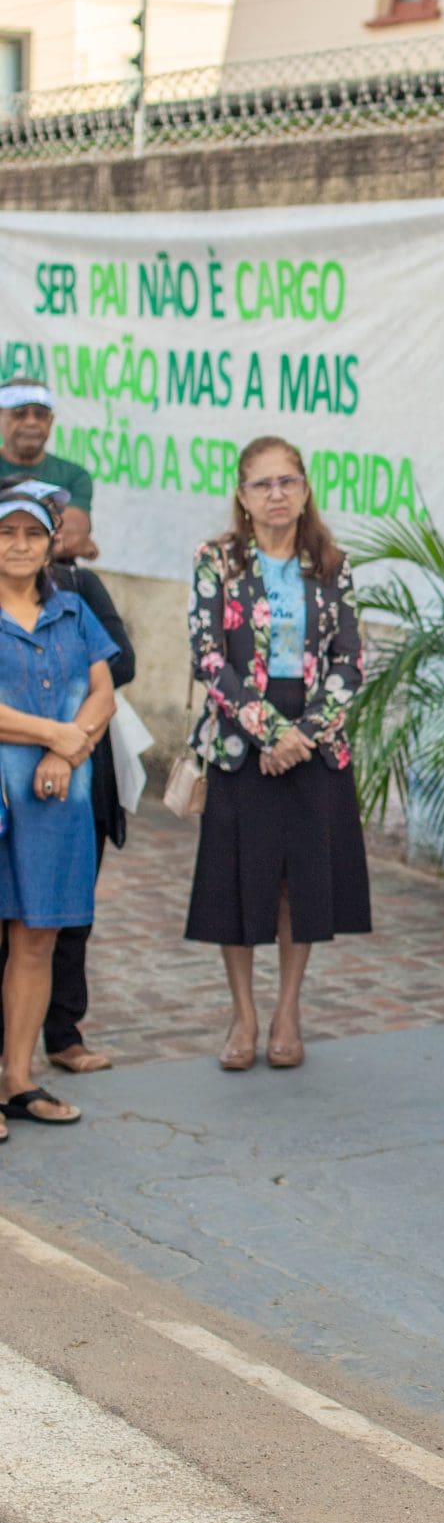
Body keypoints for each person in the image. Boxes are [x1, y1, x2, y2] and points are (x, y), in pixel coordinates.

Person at [184, 434, 370, 1071]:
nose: (276, 494)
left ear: (305, 488)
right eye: (262, 484)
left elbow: (351, 658)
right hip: (241, 741)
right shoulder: (217, 561)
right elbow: (208, 656)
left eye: (287, 481)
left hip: (313, 740)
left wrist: (302, 735)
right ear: (242, 496)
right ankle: (243, 1014)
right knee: (236, 884)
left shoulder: (331, 563)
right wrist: (268, 731)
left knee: (300, 884)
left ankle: (288, 1010)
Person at [0, 482, 118, 1139]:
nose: (18, 545)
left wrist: (64, 754)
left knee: (38, 937)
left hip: (55, 799)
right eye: (5, 532)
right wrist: (56, 735)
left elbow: (102, 692)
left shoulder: (73, 609)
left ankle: (17, 1080)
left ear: (51, 545)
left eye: (32, 534)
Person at [0, 381, 96, 558]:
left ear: (51, 421)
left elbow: (71, 538)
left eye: (40, 414)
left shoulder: (73, 475)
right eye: (19, 413)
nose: (31, 422)